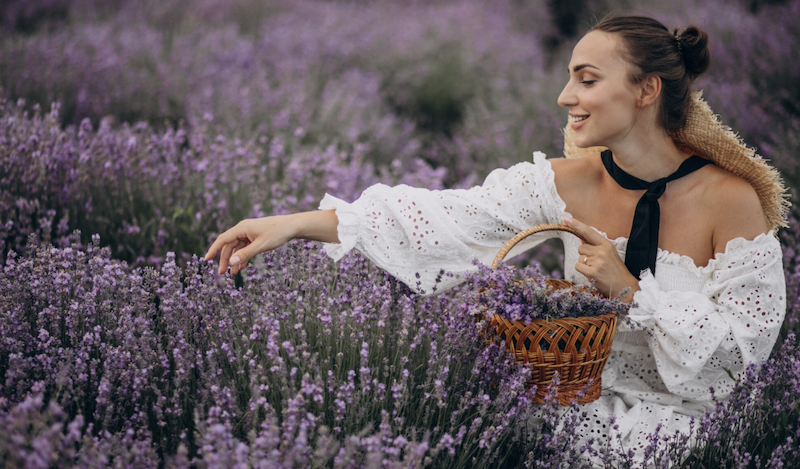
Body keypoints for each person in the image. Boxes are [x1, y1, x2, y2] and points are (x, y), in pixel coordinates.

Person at [205, 15, 788, 461]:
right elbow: (441, 217)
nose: (566, 97)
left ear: (646, 90)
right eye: (568, 78)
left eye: (586, 80)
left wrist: (631, 292)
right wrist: (295, 224)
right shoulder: (564, 182)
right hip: (571, 404)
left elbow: (743, 356)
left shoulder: (730, 199)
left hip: (688, 429)